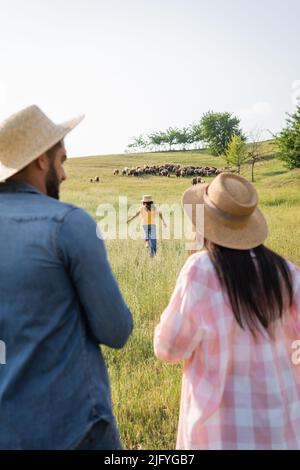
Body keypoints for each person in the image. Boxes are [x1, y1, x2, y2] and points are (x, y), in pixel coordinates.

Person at [0, 105, 133, 450]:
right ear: (41, 160)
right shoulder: (67, 224)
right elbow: (116, 331)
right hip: (74, 427)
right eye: (61, 160)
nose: (64, 173)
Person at [154, 172, 300, 450]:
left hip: (221, 433)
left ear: (206, 223)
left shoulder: (200, 271)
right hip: (285, 426)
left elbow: (169, 348)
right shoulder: (286, 271)